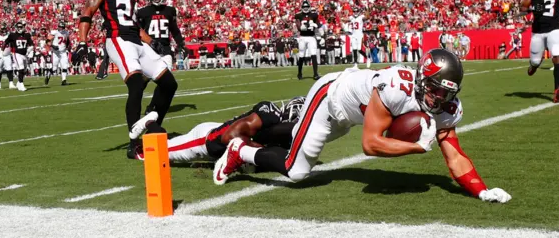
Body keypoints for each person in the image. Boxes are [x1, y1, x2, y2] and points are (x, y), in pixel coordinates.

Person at [213, 49, 512, 204]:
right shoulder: (395, 87)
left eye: (447, 93)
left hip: (350, 117)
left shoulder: (445, 107)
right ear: (421, 79)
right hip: (330, 98)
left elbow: (455, 156)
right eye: (435, 89)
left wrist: (481, 191)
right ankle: (241, 149)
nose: (440, 98)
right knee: (297, 170)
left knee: (293, 138)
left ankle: (274, 127)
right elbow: (370, 144)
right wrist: (415, 146)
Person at [74, 0, 178, 160]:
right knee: (136, 85)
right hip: (118, 38)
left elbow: (132, 22)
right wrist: (82, 42)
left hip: (135, 39)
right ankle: (134, 143)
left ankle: (151, 123)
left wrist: (152, 42)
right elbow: (88, 10)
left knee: (169, 84)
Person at [142, 97, 304, 163]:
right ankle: (150, 121)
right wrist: (261, 150)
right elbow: (228, 138)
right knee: (155, 152)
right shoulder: (268, 115)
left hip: (218, 140)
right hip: (206, 140)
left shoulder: (279, 129)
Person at [136, 0, 187, 71]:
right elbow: (139, 32)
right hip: (149, 49)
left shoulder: (170, 10)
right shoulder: (142, 12)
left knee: (167, 80)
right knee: (145, 78)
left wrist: (181, 44)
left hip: (165, 49)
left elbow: (174, 30)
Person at [295, 0, 321, 80]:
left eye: (306, 7)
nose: (305, 8)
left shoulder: (314, 15)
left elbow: (318, 25)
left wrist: (315, 25)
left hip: (311, 37)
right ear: (302, 7)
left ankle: (315, 74)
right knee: (301, 55)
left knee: (313, 54)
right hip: (302, 37)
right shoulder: (298, 15)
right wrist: (301, 28)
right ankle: (299, 73)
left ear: (309, 7)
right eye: (304, 7)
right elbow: (298, 26)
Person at [5, 21, 34, 92]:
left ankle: (19, 82)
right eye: (19, 27)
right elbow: (6, 42)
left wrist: (29, 50)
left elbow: (31, 44)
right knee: (21, 68)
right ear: (16, 28)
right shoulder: (13, 35)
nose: (20, 28)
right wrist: (4, 50)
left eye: (21, 27)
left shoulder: (27, 35)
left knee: (24, 70)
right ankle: (21, 84)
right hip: (16, 53)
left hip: (24, 54)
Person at [46, 21, 71, 86]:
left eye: (62, 27)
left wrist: (68, 46)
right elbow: (47, 41)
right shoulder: (55, 32)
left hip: (63, 52)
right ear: (58, 27)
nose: (61, 28)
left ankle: (64, 80)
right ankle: (48, 74)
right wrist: (52, 46)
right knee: (54, 68)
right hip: (56, 53)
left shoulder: (66, 32)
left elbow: (67, 40)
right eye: (60, 27)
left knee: (65, 66)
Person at [0, 23, 14, 90]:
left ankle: (11, 83)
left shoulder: (9, 35)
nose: (4, 30)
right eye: (3, 29)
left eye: (5, 29)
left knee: (9, 69)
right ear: (0, 29)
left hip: (7, 55)